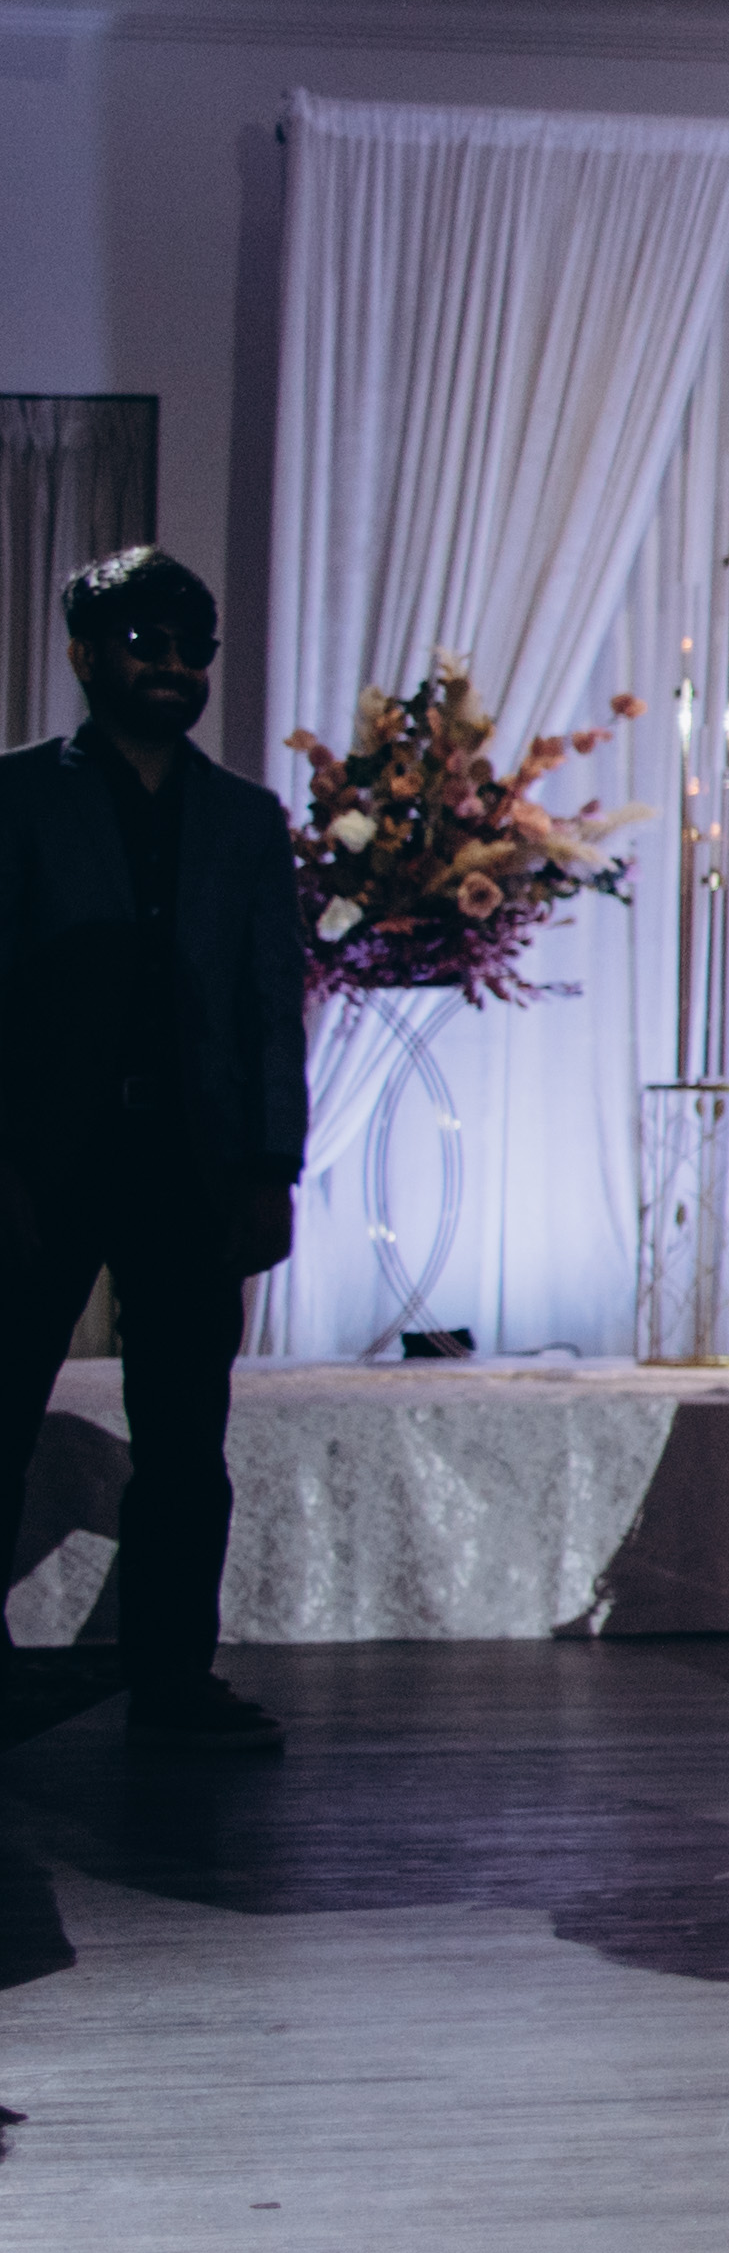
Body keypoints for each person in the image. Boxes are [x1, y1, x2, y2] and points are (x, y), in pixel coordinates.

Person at [0, 550, 308, 1757]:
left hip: (193, 1162)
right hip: (43, 1161)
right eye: (147, 645)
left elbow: (270, 1005)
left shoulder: (244, 819)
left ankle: (174, 1676)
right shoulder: (18, 799)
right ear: (85, 654)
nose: (175, 668)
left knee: (185, 1436)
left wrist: (272, 1169)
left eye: (194, 649)